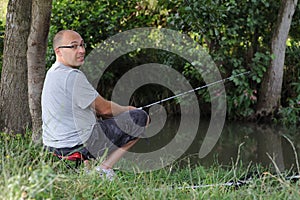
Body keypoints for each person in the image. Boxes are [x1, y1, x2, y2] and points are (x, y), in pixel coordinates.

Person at [42, 30, 149, 180]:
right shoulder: (72, 76)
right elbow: (105, 109)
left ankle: (88, 167)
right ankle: (104, 168)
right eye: (73, 47)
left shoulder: (52, 73)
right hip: (75, 145)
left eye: (82, 45)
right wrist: (129, 109)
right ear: (59, 51)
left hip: (53, 147)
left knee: (96, 119)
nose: (81, 50)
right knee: (139, 118)